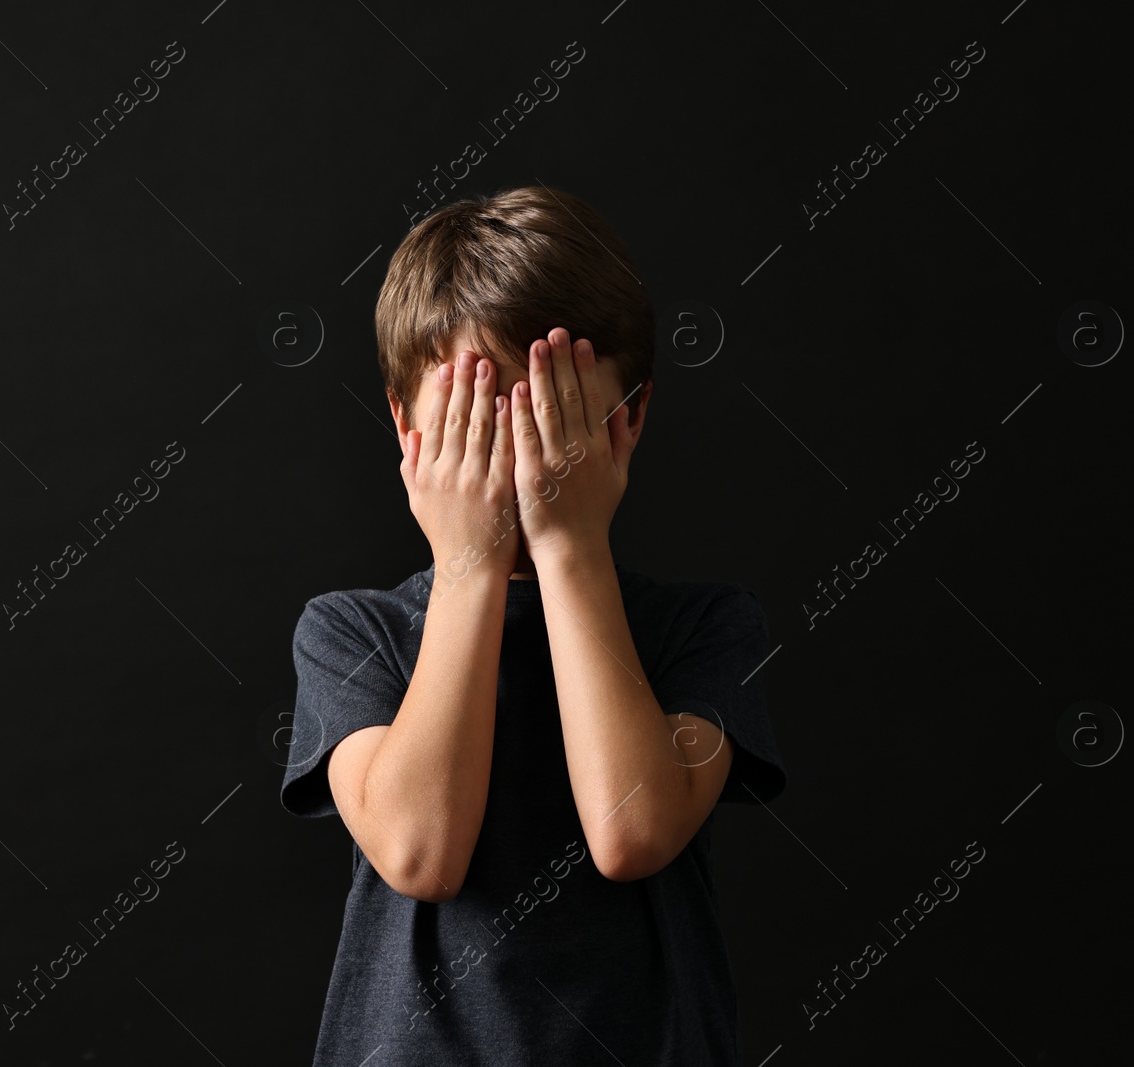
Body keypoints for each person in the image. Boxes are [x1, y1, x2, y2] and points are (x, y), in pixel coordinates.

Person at [280, 184, 787, 1065]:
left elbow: (631, 833)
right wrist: (470, 563)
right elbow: (420, 851)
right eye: (476, 429)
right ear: (407, 432)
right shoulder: (352, 633)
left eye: (553, 424)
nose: (517, 468)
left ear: (627, 420)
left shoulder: (705, 629)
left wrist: (570, 546)